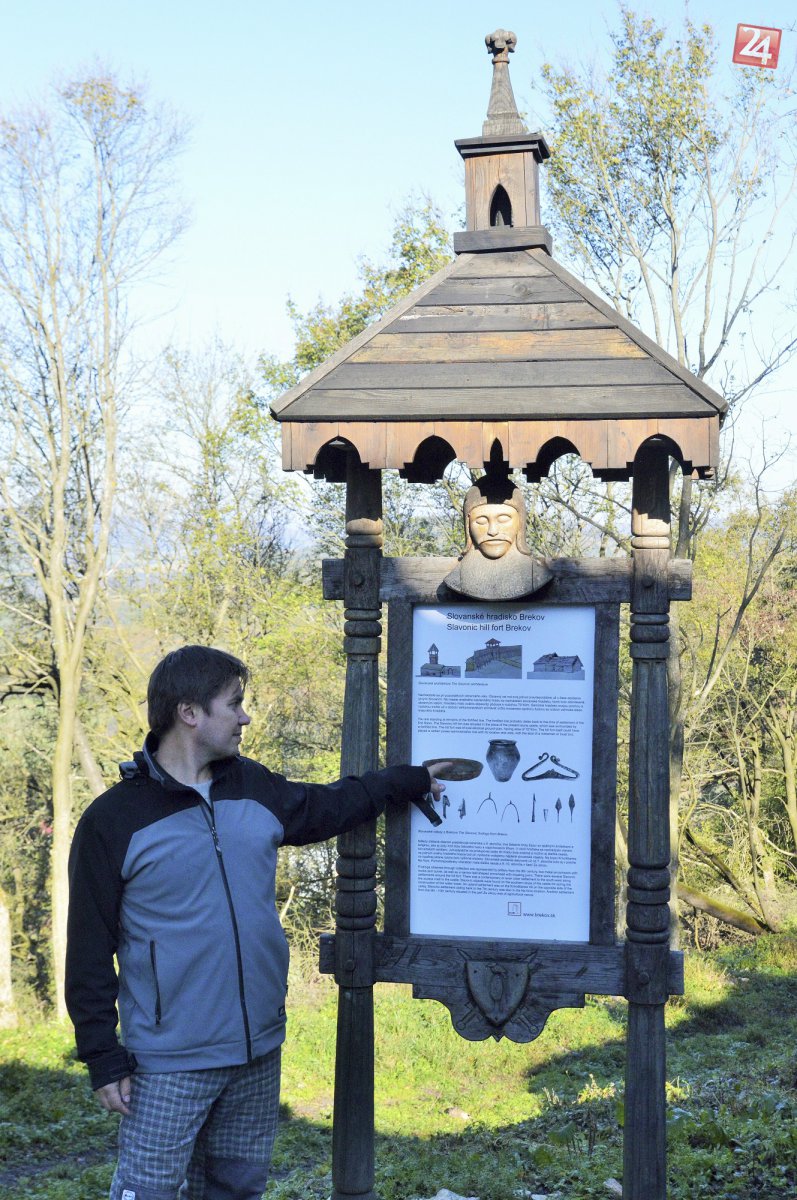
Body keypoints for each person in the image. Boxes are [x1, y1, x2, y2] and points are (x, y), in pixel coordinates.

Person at [66, 645, 447, 1200]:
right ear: (189, 712)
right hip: (169, 1061)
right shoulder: (114, 820)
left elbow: (330, 805)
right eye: (234, 704)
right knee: (147, 1191)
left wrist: (408, 780)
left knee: (236, 1189)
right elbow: (87, 949)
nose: (245, 717)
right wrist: (102, 1056)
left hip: (258, 1050)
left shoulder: (253, 787)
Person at [444, 475, 552, 600]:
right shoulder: (458, 578)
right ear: (468, 526)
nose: (492, 531)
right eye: (481, 521)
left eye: (503, 519)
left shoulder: (536, 576)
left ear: (520, 523)